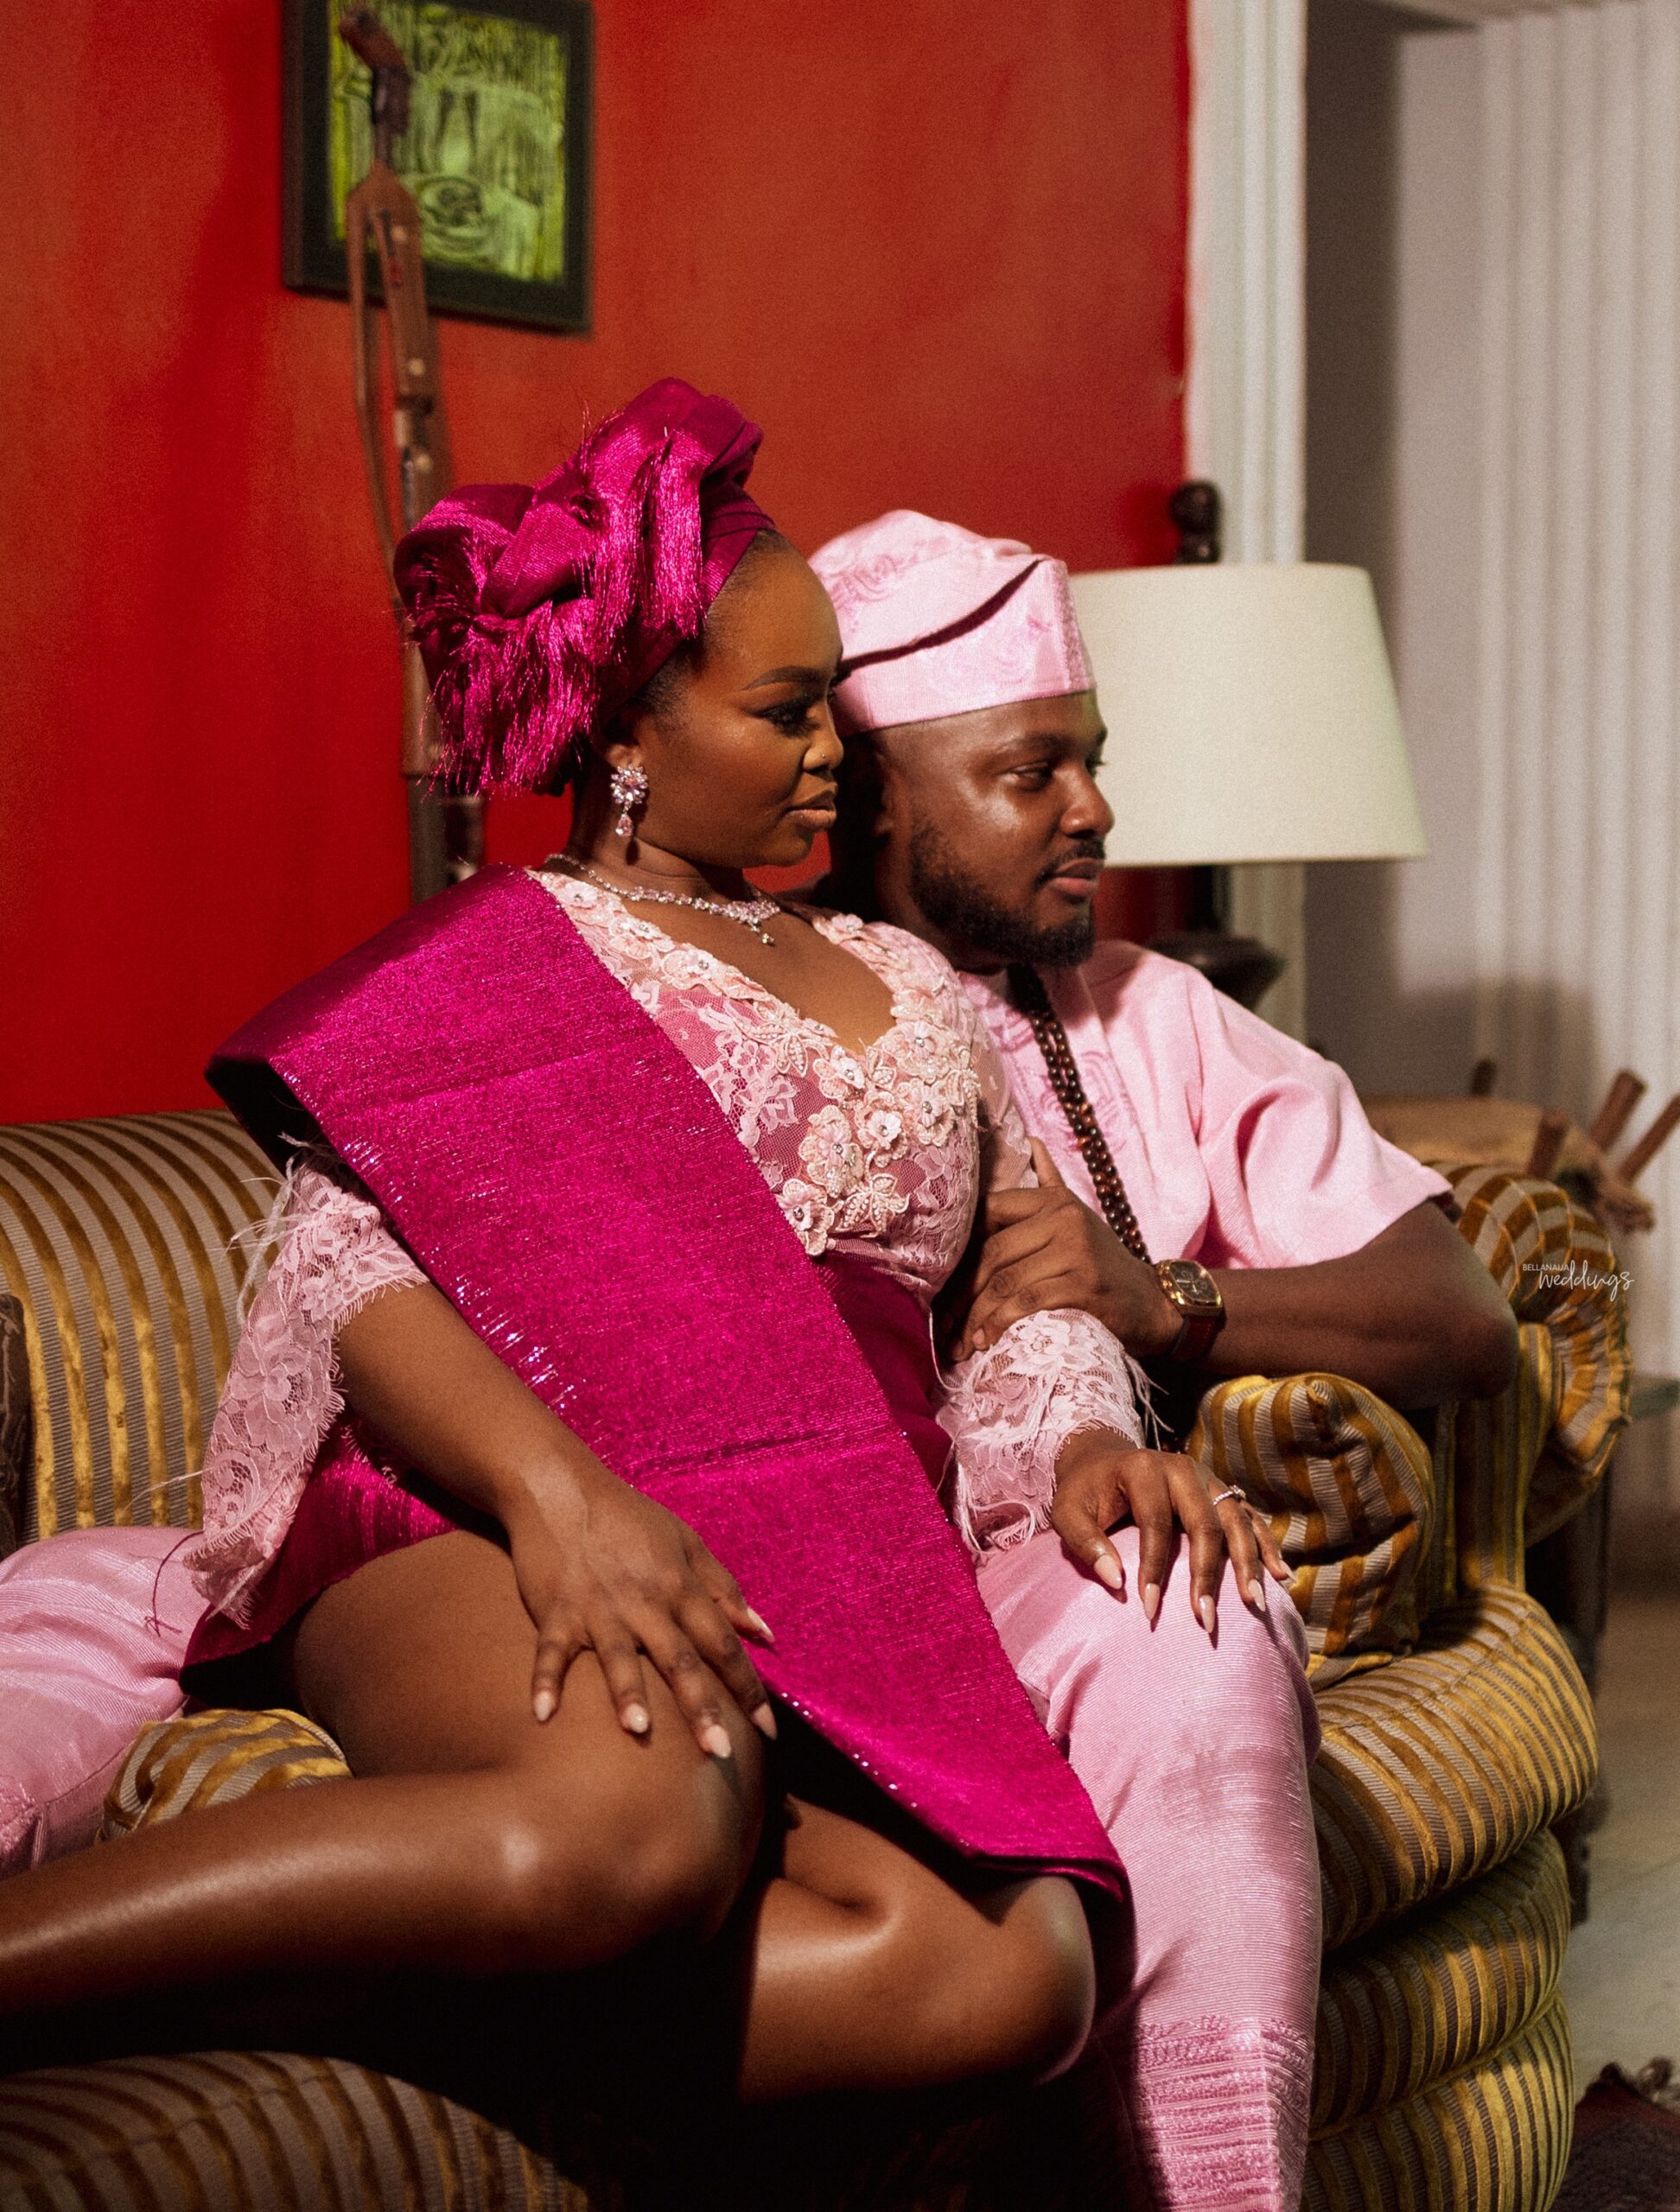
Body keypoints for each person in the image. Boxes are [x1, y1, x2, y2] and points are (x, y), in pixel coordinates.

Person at [0, 389, 1273, 2133]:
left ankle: (297, 2015)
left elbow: (1006, 1304)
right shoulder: (501, 958)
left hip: (830, 1547)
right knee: (650, 1825)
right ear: (626, 727)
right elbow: (342, 1275)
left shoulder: (912, 986)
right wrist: (561, 1503)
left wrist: (1083, 1447)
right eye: (786, 710)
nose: (833, 753)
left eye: (833, 707)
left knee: (1016, 1974)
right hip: (486, 1509)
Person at [810, 508, 1521, 2212]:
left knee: (1186, 1599)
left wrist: (1168, 1302)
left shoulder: (1158, 1016)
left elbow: (1462, 1314)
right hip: (861, 1588)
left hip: (1103, 1556)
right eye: (1031, 770)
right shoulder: (770, 1009)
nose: (1097, 811)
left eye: (1094, 761)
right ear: (880, 793)